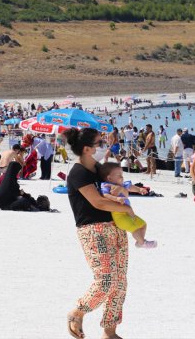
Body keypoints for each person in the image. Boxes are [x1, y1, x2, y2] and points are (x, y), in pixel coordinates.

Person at [63, 128, 134, 339]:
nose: (101, 146)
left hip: (116, 228)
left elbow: (114, 188)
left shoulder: (99, 169)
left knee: (120, 282)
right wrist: (127, 209)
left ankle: (109, 332)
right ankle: (77, 312)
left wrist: (125, 191)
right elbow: (97, 201)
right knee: (105, 280)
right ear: (87, 149)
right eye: (98, 143)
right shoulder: (78, 173)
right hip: (93, 231)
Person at [99, 162, 156, 249]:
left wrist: (139, 189)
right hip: (119, 215)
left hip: (128, 213)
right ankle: (143, 243)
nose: (122, 176)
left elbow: (131, 187)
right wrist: (116, 199)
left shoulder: (122, 185)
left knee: (143, 224)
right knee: (134, 228)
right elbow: (105, 195)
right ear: (109, 178)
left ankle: (140, 242)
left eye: (122, 174)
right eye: (118, 175)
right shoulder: (106, 185)